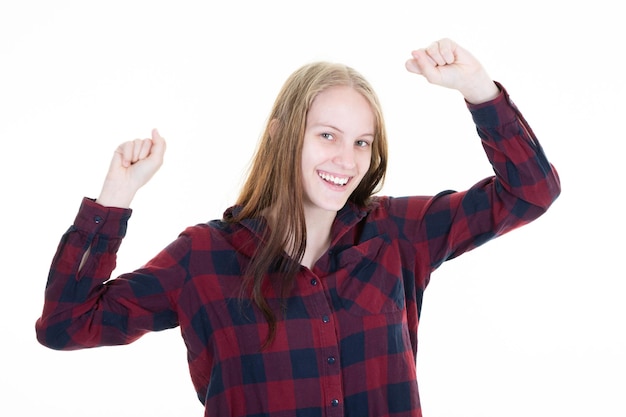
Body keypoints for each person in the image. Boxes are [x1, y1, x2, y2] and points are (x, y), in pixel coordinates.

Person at [35, 38, 561, 417]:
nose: (348, 158)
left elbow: (531, 190)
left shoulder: (397, 233)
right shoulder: (202, 257)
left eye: (361, 142)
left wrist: (479, 90)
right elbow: (65, 324)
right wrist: (115, 200)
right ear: (284, 134)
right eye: (328, 135)